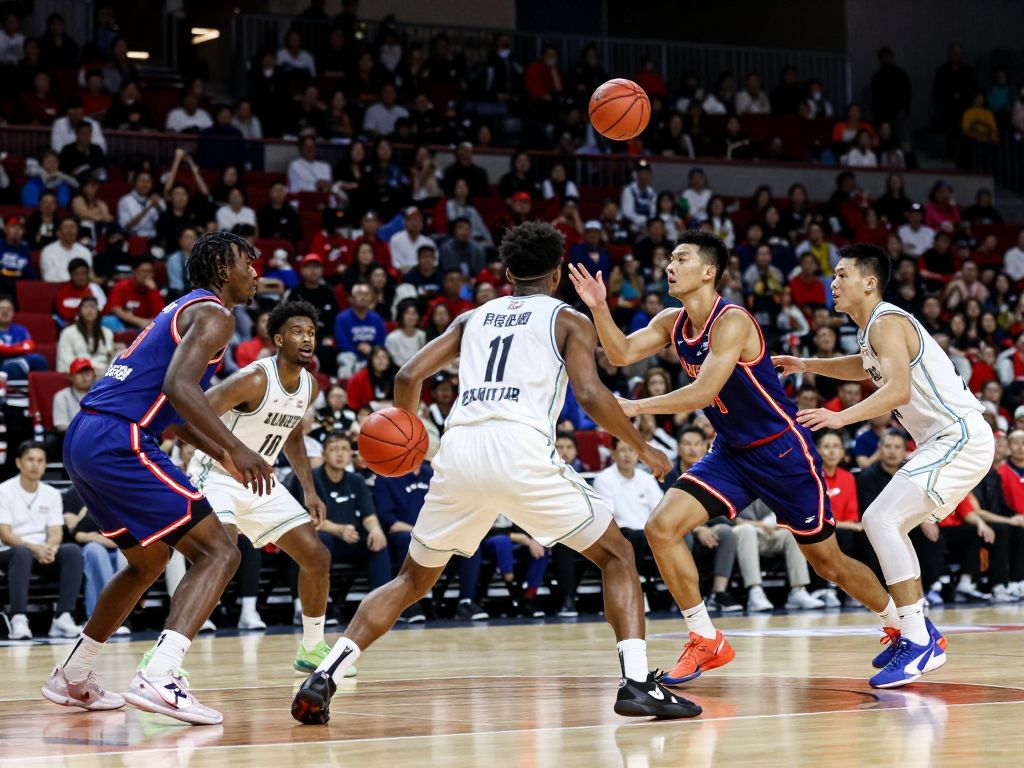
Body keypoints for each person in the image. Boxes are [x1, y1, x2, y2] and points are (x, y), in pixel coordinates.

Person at [292, 221, 699, 724]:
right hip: (520, 447)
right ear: (556, 277)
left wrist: (411, 437)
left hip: (460, 450)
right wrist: (643, 445)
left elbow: (407, 375)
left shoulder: (472, 318)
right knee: (617, 555)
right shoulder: (568, 319)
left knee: (411, 580)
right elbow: (592, 396)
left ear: (508, 273)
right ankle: (637, 683)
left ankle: (325, 673)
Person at [569, 232, 896, 688]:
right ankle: (705, 638)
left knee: (829, 563)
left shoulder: (733, 321)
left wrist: (639, 407)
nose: (669, 265)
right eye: (669, 258)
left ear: (707, 271)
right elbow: (621, 353)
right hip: (730, 453)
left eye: (680, 258)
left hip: (782, 450)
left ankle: (899, 624)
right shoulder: (671, 321)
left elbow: (705, 390)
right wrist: (599, 307)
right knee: (660, 528)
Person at [43, 231, 274, 724]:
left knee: (147, 561)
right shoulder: (215, 314)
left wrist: (224, 455)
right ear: (219, 271)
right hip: (119, 439)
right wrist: (236, 445)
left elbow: (170, 409)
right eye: (246, 263)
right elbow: (178, 386)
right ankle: (160, 674)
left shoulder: (181, 311)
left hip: (87, 437)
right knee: (220, 550)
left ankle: (73, 673)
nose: (255, 271)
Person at [776, 242, 995, 688]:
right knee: (886, 521)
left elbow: (894, 391)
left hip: (959, 436)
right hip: (944, 441)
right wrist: (807, 364)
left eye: (841, 275)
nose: (832, 283)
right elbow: (866, 367)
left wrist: (839, 416)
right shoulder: (872, 331)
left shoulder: (888, 321)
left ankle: (918, 642)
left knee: (880, 518)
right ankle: (918, 633)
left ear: (869, 281)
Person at [187, 301, 332, 672]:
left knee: (316, 557)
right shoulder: (254, 378)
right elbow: (195, 411)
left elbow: (293, 433)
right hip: (217, 474)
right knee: (219, 557)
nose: (307, 339)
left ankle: (312, 648)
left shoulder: (309, 386)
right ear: (279, 339)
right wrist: (228, 454)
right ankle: (167, 655)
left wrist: (309, 491)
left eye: (312, 333)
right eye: (299, 332)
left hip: (260, 480)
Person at [0, 442, 85, 641]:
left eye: (40, 461)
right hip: (9, 552)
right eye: (30, 460)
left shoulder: (52, 493)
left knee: (71, 551)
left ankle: (63, 617)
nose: (35, 465)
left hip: (41, 552)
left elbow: (55, 531)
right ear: (18, 462)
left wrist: (50, 549)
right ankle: (18, 618)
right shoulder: (4, 490)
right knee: (21, 553)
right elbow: (5, 534)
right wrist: (34, 548)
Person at [57, 296, 115, 373]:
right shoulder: (67, 333)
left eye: (93, 307)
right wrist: (89, 370)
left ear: (98, 311)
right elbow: (65, 361)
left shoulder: (107, 333)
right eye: (85, 307)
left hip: (103, 375)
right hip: (79, 373)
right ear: (79, 311)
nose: (89, 310)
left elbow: (110, 359)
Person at [105, 257, 165, 331]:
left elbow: (162, 313)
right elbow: (116, 310)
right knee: (109, 320)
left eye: (149, 272)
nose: (146, 275)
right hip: (123, 325)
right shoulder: (121, 286)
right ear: (135, 271)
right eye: (143, 271)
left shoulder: (152, 290)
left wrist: (153, 290)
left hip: (144, 327)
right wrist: (139, 321)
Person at [0, 294, 49, 379]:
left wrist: (9, 349)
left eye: (9, 309)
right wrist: (19, 347)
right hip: (2, 362)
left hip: (21, 359)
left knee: (39, 360)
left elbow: (30, 346)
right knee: (11, 367)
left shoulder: (20, 329)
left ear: (13, 312)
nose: (5, 312)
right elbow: (2, 350)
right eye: (2, 309)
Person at [41, 218, 92, 282]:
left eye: (72, 227)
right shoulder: (48, 251)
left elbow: (88, 276)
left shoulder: (85, 251)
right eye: (66, 227)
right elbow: (49, 277)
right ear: (58, 233)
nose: (70, 231)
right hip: (56, 288)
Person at [53, 358, 96, 431]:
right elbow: (60, 425)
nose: (84, 376)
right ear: (70, 377)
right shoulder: (62, 396)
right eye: (79, 373)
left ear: (94, 375)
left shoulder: (100, 395)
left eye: (87, 372)